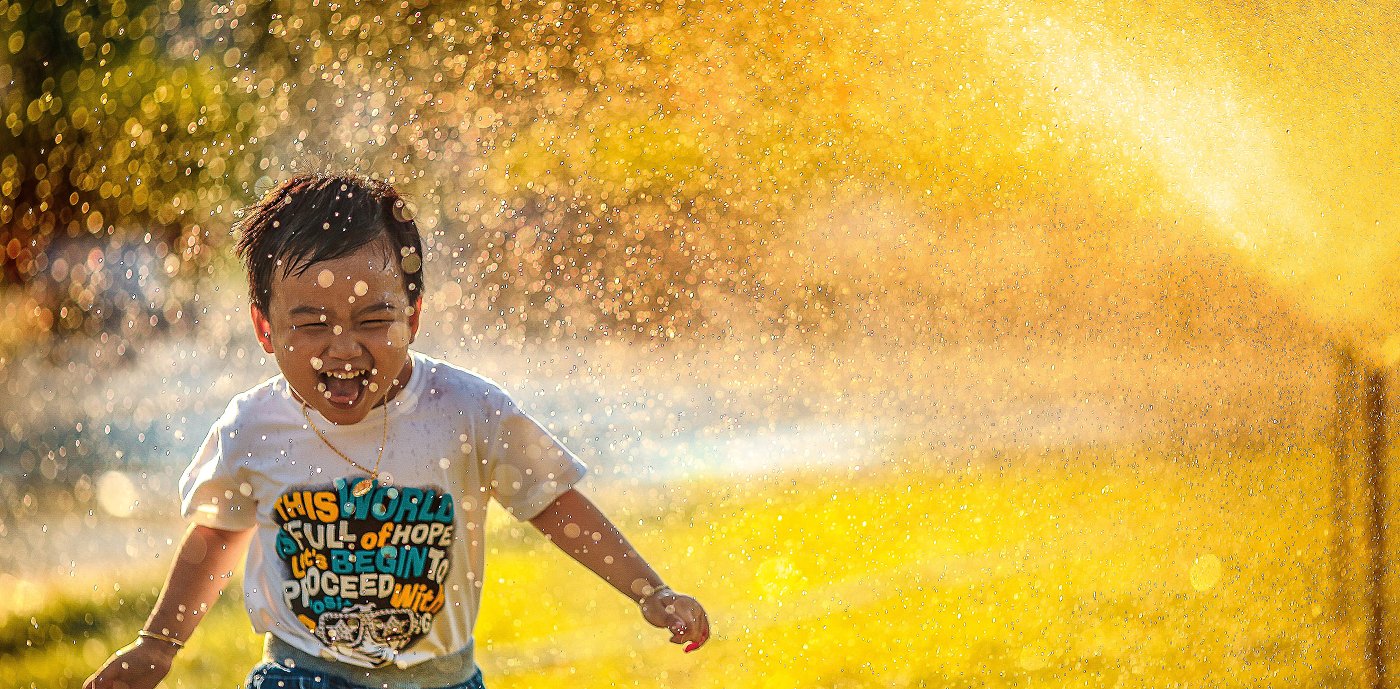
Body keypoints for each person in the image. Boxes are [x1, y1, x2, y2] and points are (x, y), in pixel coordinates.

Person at [84, 173, 710, 689]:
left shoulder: (466, 410)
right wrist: (158, 644)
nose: (343, 347)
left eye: (373, 318)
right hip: (303, 676)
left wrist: (649, 590)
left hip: (442, 679)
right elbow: (217, 537)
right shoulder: (254, 426)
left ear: (413, 315)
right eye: (311, 323)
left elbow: (554, 503)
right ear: (265, 328)